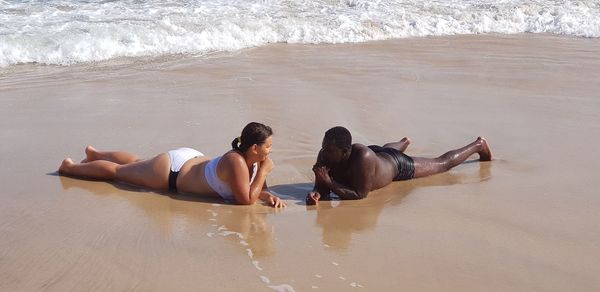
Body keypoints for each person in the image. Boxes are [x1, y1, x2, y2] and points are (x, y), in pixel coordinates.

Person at [59, 122, 286, 208]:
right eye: (268, 146)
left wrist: (268, 196)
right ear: (253, 148)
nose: (270, 150)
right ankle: (69, 168)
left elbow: (256, 190)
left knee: (138, 163)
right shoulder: (235, 160)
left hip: (189, 161)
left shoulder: (255, 160)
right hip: (171, 173)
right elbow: (245, 199)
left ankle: (95, 153)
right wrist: (264, 171)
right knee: (119, 173)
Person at [306, 126, 492, 204]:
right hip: (378, 155)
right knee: (384, 150)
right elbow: (322, 187)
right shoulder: (325, 155)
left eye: (329, 149)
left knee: (441, 164)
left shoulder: (363, 158)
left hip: (396, 165)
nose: (324, 152)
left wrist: (329, 184)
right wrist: (317, 193)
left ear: (345, 152)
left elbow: (359, 194)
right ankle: (403, 142)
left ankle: (478, 145)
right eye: (324, 147)